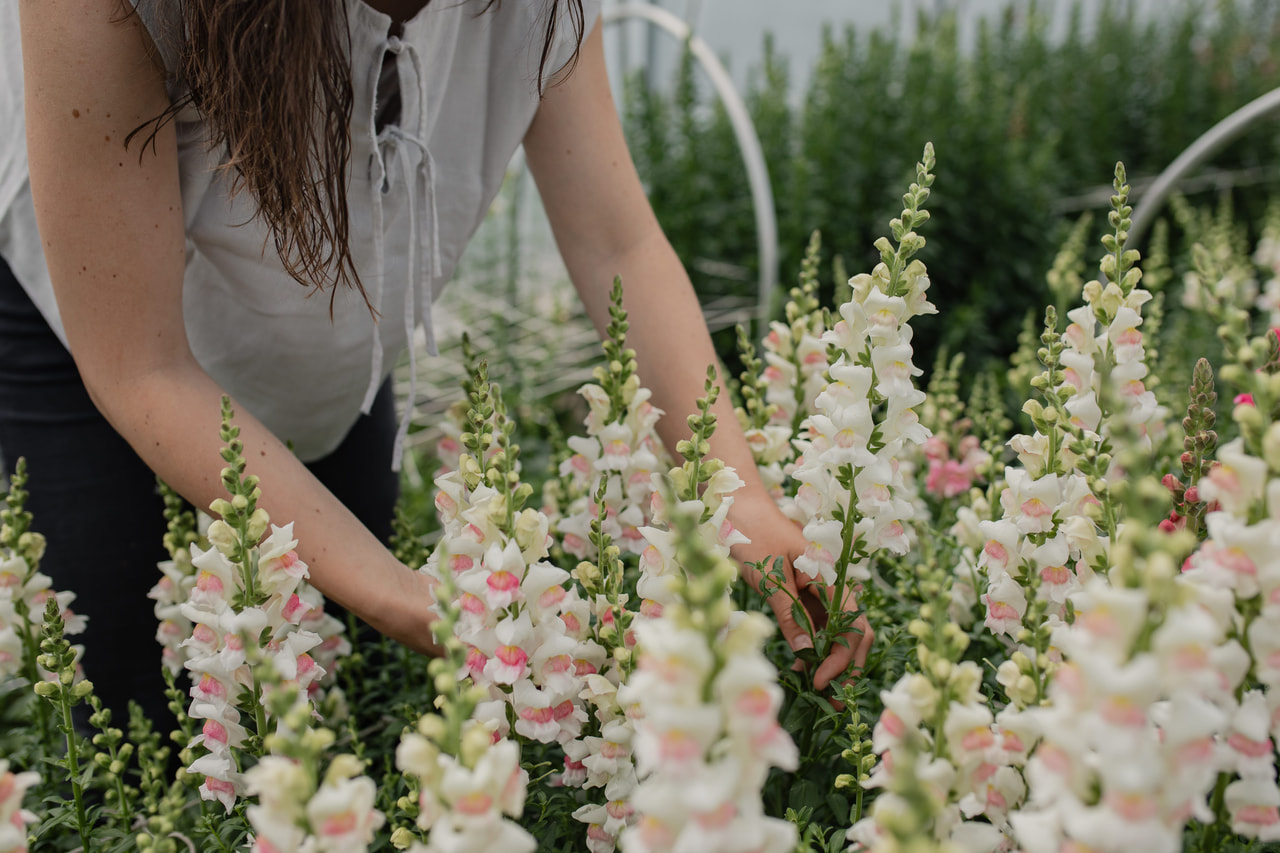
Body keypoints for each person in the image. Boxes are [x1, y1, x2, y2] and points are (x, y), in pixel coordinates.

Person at [1, 0, 872, 727]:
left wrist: (738, 496)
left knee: (342, 720)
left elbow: (617, 239)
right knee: (129, 712)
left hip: (331, 340)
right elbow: (142, 367)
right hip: (90, 341)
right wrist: (400, 597)